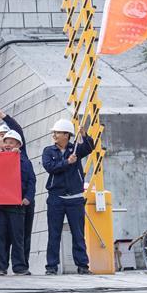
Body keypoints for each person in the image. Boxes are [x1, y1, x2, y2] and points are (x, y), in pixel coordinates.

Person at [42, 118, 94, 275]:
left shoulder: (76, 149)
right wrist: (67, 162)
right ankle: (51, 267)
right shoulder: (48, 151)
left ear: (67, 135)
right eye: (54, 132)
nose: (55, 135)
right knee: (54, 233)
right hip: (56, 198)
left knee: (78, 234)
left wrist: (85, 135)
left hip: (75, 198)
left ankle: (83, 265)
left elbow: (90, 147)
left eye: (57, 132)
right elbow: (49, 167)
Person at [0, 109, 36, 270]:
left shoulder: (23, 159)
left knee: (19, 237)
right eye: (5, 141)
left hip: (18, 205)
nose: (8, 144)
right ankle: (0, 267)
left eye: (12, 142)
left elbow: (32, 180)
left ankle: (20, 267)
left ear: (19, 144)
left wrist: (28, 198)